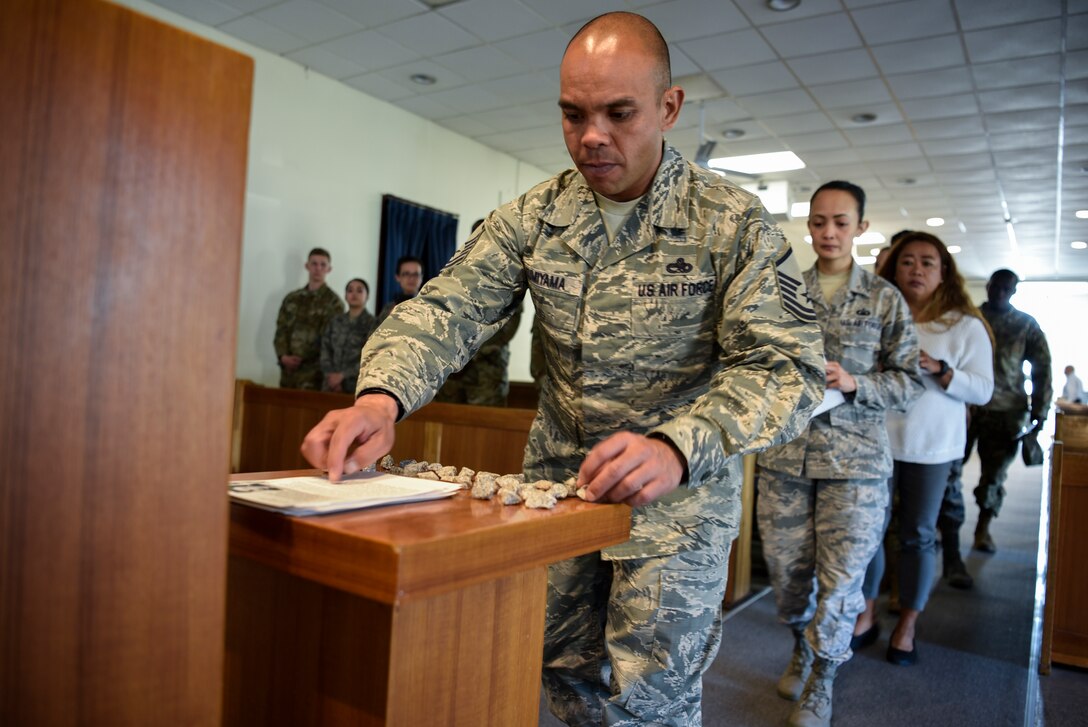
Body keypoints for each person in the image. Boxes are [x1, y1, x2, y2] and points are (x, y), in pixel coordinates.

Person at [300, 12, 826, 726]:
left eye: (618, 113)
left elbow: (788, 368)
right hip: (561, 490)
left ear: (669, 107)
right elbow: (447, 308)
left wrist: (678, 444)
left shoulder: (731, 223)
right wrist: (378, 399)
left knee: (651, 700)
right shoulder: (536, 216)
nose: (591, 137)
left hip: (678, 502)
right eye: (573, 114)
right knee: (560, 669)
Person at [756, 180, 923, 727]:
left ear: (861, 228)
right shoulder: (782, 293)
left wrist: (855, 382)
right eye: (819, 221)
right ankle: (799, 647)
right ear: (807, 225)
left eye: (841, 222)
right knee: (787, 575)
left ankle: (823, 679)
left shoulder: (883, 298)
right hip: (786, 459)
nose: (829, 232)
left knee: (842, 580)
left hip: (856, 467)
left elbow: (909, 382)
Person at [854, 232, 993, 666]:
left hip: (931, 448)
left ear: (943, 273)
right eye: (907, 261)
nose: (916, 269)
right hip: (876, 441)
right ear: (893, 269)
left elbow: (985, 390)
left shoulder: (963, 325)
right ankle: (867, 611)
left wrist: (942, 369)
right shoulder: (877, 315)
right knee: (869, 534)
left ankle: (908, 624)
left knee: (916, 536)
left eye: (927, 262)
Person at [963, 269, 1052, 553]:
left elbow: (1042, 370)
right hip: (965, 407)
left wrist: (1040, 411)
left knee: (994, 475)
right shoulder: (970, 318)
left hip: (1007, 412)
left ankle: (983, 529)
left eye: (1006, 288)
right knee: (948, 470)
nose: (1000, 292)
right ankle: (944, 528)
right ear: (988, 286)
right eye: (996, 287)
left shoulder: (1025, 324)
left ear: (1013, 291)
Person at [435, 220, 523, 406]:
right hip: (456, 368)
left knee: (487, 423)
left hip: (487, 368)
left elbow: (510, 323)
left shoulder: (510, 273)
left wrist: (476, 348)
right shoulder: (456, 269)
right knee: (450, 420)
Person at [274, 247, 345, 390]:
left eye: (323, 264)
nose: (318, 268)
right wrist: (283, 356)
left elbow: (330, 340)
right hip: (288, 372)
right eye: (314, 264)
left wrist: (304, 358)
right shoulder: (292, 299)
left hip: (315, 374)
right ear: (307, 266)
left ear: (329, 269)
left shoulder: (334, 303)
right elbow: (281, 330)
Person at [320, 278, 378, 394]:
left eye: (359, 291)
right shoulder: (336, 321)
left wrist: (343, 376)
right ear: (345, 296)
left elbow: (372, 355)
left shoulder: (373, 324)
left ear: (367, 296)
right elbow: (325, 349)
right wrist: (331, 376)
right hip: (330, 385)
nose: (354, 294)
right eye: (350, 291)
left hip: (356, 385)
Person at [377, 255, 423, 323]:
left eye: (415, 274)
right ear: (397, 277)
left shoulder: (429, 306)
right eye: (406, 274)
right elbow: (374, 333)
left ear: (421, 278)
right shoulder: (388, 308)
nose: (411, 278)